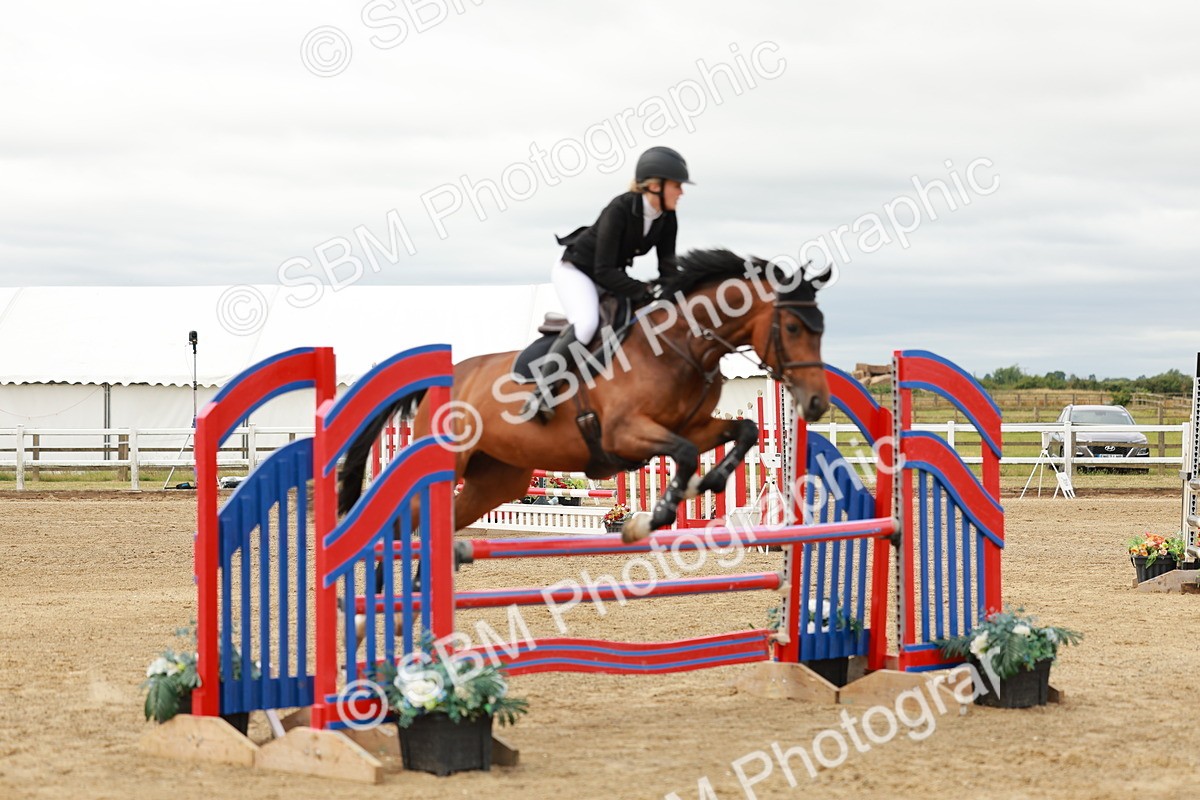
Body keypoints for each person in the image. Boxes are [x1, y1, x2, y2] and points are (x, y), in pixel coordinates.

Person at [522, 146, 693, 421]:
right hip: (577, 271)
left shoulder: (667, 218)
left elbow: (667, 267)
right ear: (654, 186)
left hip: (611, 276)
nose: (681, 192)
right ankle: (541, 393)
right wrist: (643, 290)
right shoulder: (621, 208)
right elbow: (603, 269)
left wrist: (676, 294)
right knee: (587, 323)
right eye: (677, 185)